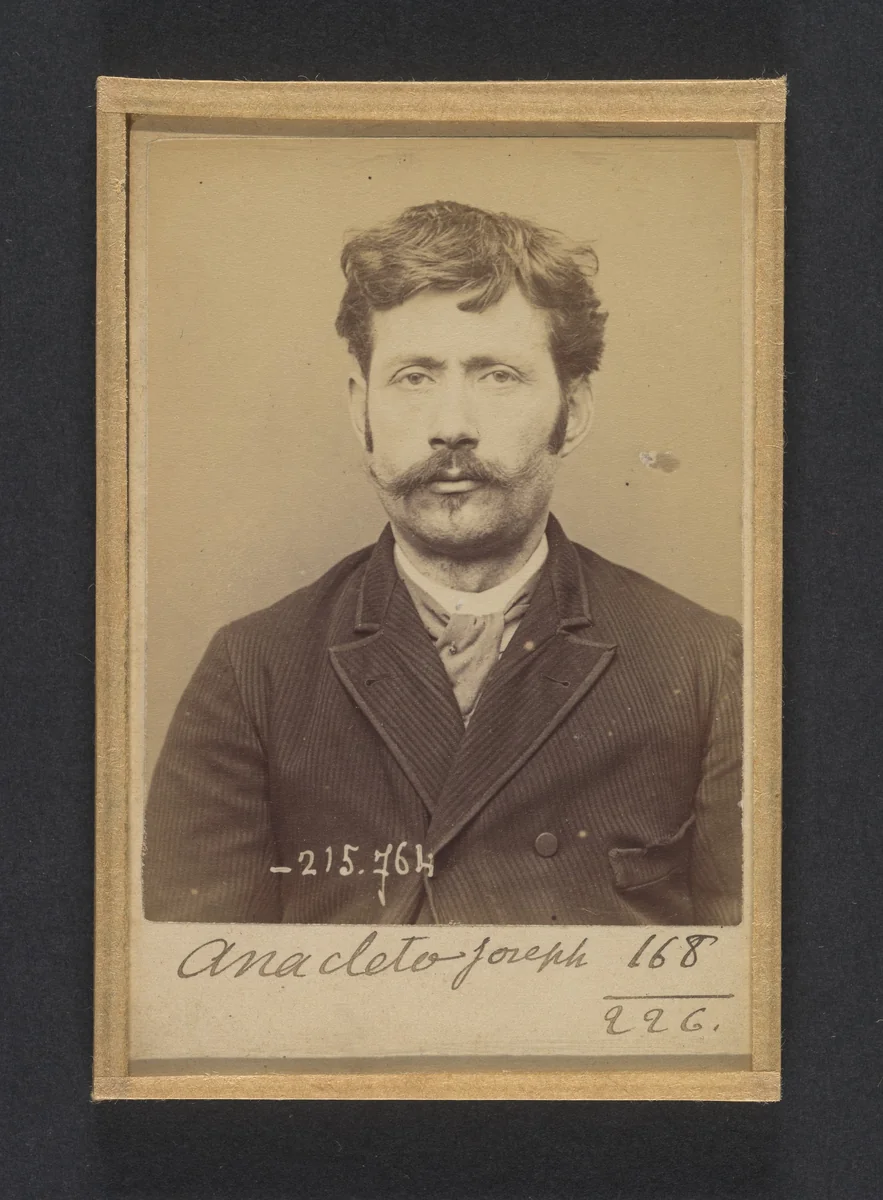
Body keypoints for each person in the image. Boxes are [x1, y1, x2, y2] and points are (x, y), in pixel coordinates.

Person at [143, 199, 742, 926]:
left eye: (497, 375)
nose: (450, 426)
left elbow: (746, 1003)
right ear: (361, 409)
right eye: (414, 377)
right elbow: (195, 1001)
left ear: (572, 412)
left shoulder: (705, 664)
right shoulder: (253, 670)